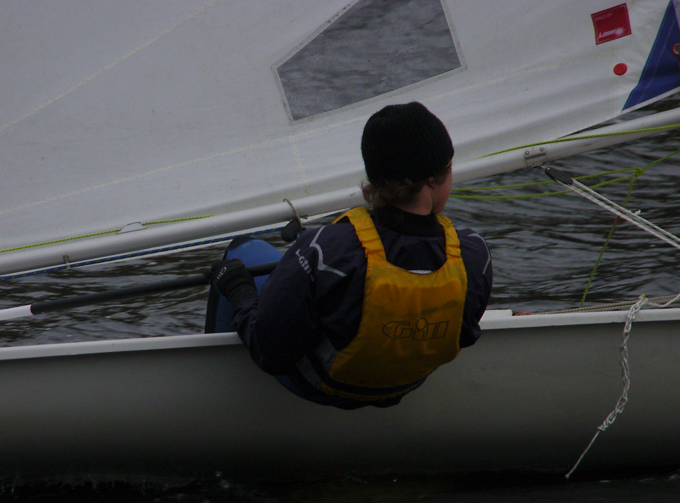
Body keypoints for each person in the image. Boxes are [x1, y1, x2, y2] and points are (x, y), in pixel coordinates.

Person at [208, 102, 492, 409]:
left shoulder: (322, 249)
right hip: (408, 382)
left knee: (243, 249)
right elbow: (464, 334)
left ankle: (214, 397)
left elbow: (270, 353)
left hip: (322, 385)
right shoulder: (473, 254)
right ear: (435, 177)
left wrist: (239, 290)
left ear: (375, 177)